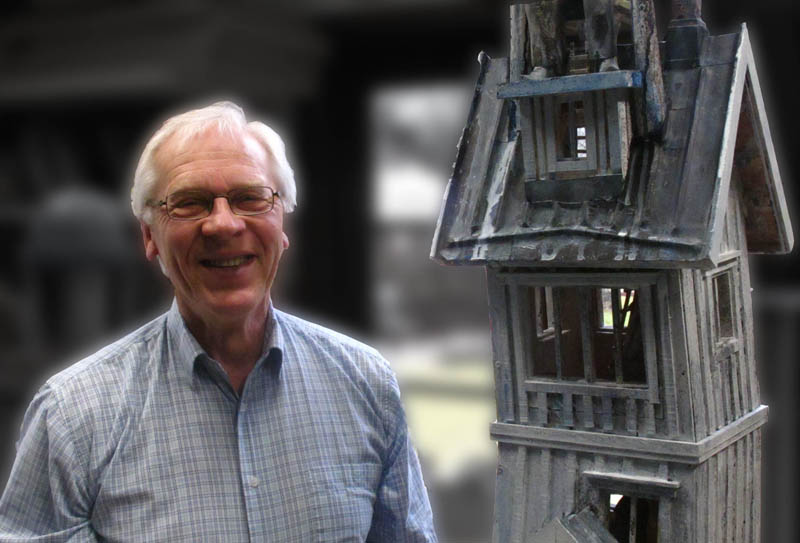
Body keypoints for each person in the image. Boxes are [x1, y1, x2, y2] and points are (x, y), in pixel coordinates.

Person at [0, 102, 437, 542]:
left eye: (250, 198)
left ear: (282, 222)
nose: (223, 224)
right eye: (189, 203)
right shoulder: (72, 416)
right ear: (150, 236)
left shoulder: (364, 383)